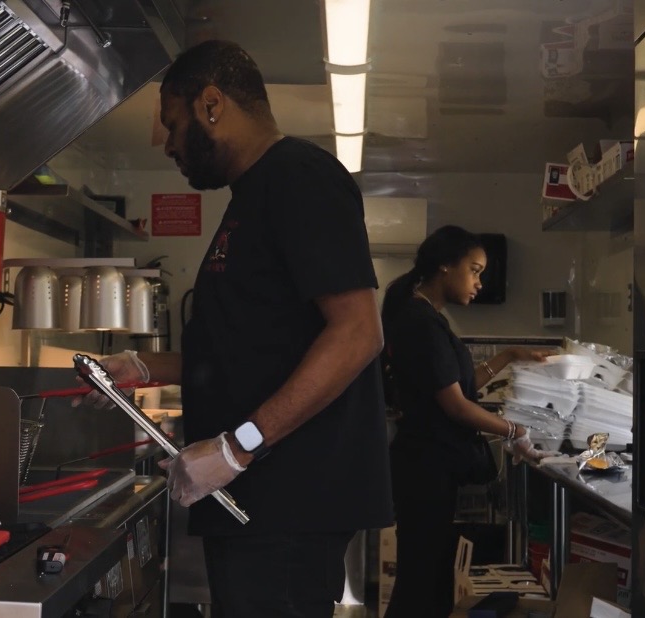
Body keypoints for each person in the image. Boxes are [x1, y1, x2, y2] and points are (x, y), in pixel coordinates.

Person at [82, 40, 393, 617]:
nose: (169, 144)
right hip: (257, 502)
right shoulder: (252, 195)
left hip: (288, 505)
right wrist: (143, 367)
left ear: (212, 104)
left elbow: (358, 334)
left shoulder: (299, 177)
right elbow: (252, 348)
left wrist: (236, 447)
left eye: (173, 125)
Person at [380, 225, 556, 618]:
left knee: (428, 577)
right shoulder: (421, 322)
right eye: (474, 270)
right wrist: (516, 431)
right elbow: (457, 406)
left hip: (427, 467)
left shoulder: (427, 316)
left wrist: (509, 356)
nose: (479, 282)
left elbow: (460, 385)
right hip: (424, 468)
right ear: (445, 265)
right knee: (420, 583)